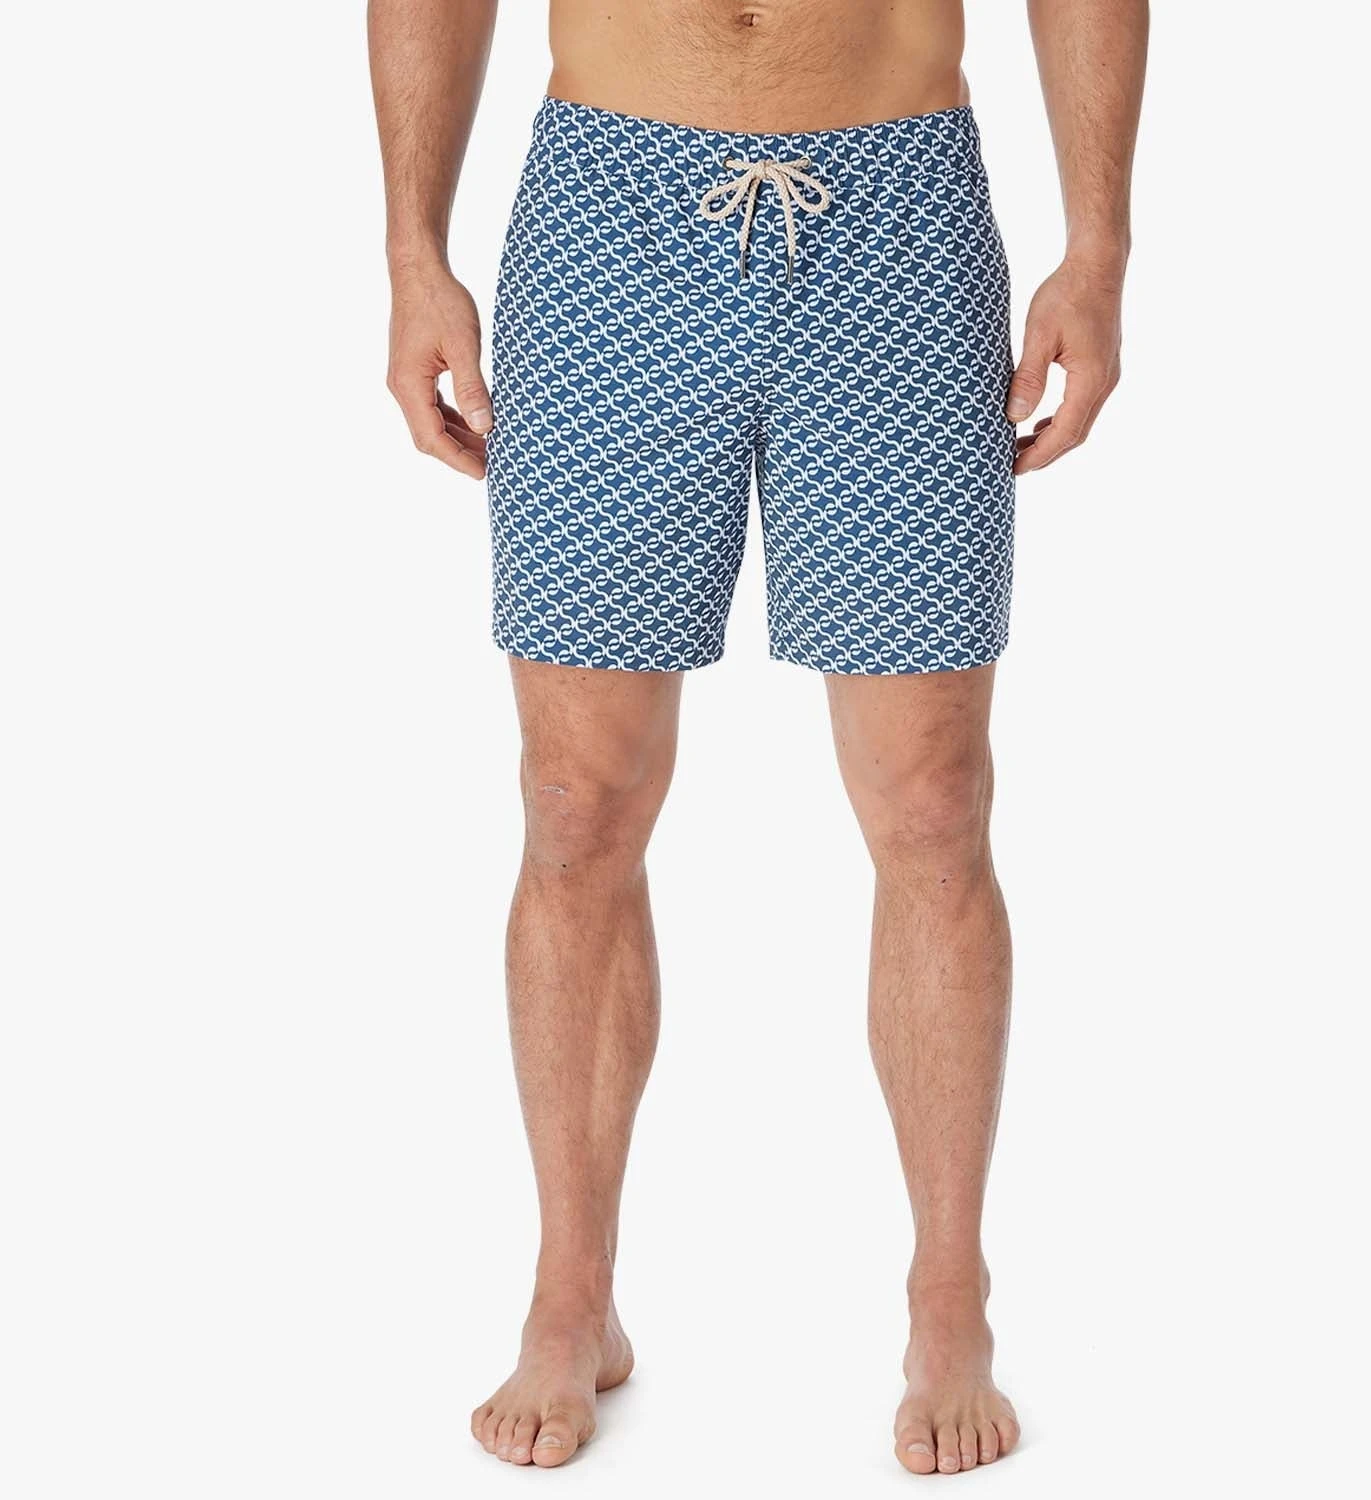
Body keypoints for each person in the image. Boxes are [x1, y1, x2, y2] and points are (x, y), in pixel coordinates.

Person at [369, 0, 1145, 1475]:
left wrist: (1097, 246)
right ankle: (572, 1292)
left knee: (932, 801)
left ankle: (949, 1296)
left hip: (898, 211)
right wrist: (414, 249)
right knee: (575, 802)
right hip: (610, 217)